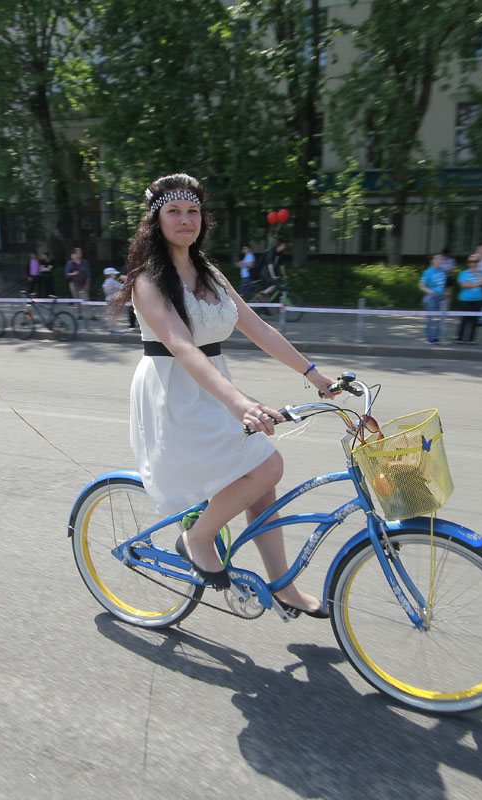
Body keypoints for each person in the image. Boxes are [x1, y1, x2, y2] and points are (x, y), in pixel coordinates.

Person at [108, 173, 336, 617]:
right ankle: (197, 539)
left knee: (261, 485)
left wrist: (315, 375)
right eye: (174, 211)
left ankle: (283, 586)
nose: (185, 219)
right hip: (174, 392)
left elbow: (259, 328)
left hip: (213, 383)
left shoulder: (209, 273)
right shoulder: (148, 279)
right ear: (156, 220)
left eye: (193, 211)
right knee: (268, 465)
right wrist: (238, 401)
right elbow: (181, 346)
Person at [455, 253, 482, 344]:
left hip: (478, 299)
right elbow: (463, 284)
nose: (473, 263)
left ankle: (471, 339)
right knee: (464, 319)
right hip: (465, 299)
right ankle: (460, 338)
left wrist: (476, 274)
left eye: (475, 261)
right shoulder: (463, 273)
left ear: (478, 263)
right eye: (471, 261)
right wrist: (478, 284)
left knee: (474, 320)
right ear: (468, 263)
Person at [419, 254, 447, 344]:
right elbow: (421, 286)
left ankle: (437, 337)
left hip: (440, 298)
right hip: (431, 298)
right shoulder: (428, 272)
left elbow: (443, 285)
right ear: (433, 260)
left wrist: (444, 294)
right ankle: (428, 338)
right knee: (430, 318)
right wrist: (429, 291)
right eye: (439, 259)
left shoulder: (442, 271)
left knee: (441, 318)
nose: (441, 260)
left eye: (442, 259)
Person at [64, 248, 90, 319]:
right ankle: (79, 314)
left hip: (83, 283)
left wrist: (87, 285)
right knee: (76, 300)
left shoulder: (84, 262)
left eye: (80, 253)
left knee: (86, 299)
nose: (79, 254)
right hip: (73, 284)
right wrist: (73, 274)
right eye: (78, 253)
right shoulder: (70, 263)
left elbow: (88, 275)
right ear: (74, 254)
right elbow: (66, 274)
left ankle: (91, 315)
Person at [102, 267, 124, 333]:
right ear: (110, 274)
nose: (115, 274)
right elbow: (122, 287)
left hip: (108, 298)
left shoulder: (106, 281)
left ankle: (111, 328)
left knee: (110, 314)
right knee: (114, 314)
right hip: (114, 298)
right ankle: (114, 328)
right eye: (113, 273)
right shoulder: (112, 281)